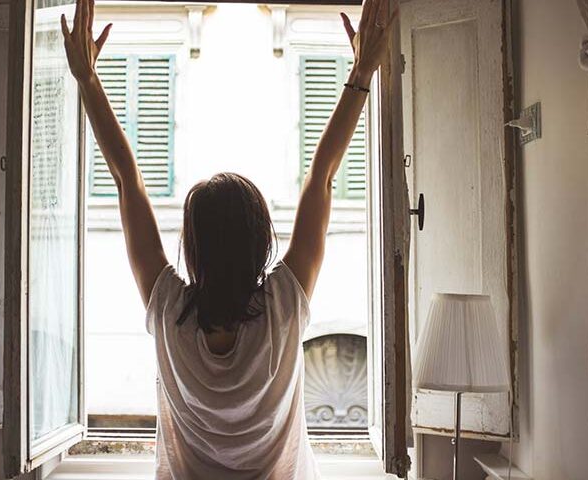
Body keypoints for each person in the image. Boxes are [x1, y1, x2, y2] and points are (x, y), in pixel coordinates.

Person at [61, 0, 397, 477]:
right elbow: (322, 177)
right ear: (261, 243)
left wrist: (88, 80)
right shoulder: (284, 306)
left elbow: (126, 179)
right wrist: (361, 74)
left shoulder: (169, 312)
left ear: (193, 245)